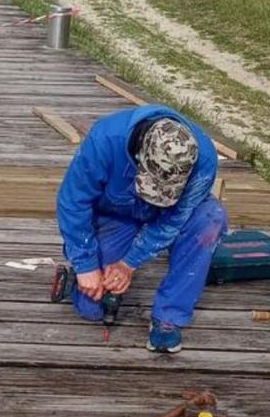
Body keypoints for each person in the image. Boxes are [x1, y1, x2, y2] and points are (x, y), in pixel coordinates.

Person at [55, 105, 227, 353]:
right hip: (117, 212)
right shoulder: (105, 139)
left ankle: (169, 316)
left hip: (168, 215)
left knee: (210, 218)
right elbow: (73, 202)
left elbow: (176, 219)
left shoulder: (205, 159)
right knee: (91, 308)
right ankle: (74, 277)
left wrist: (129, 264)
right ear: (140, 156)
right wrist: (85, 265)